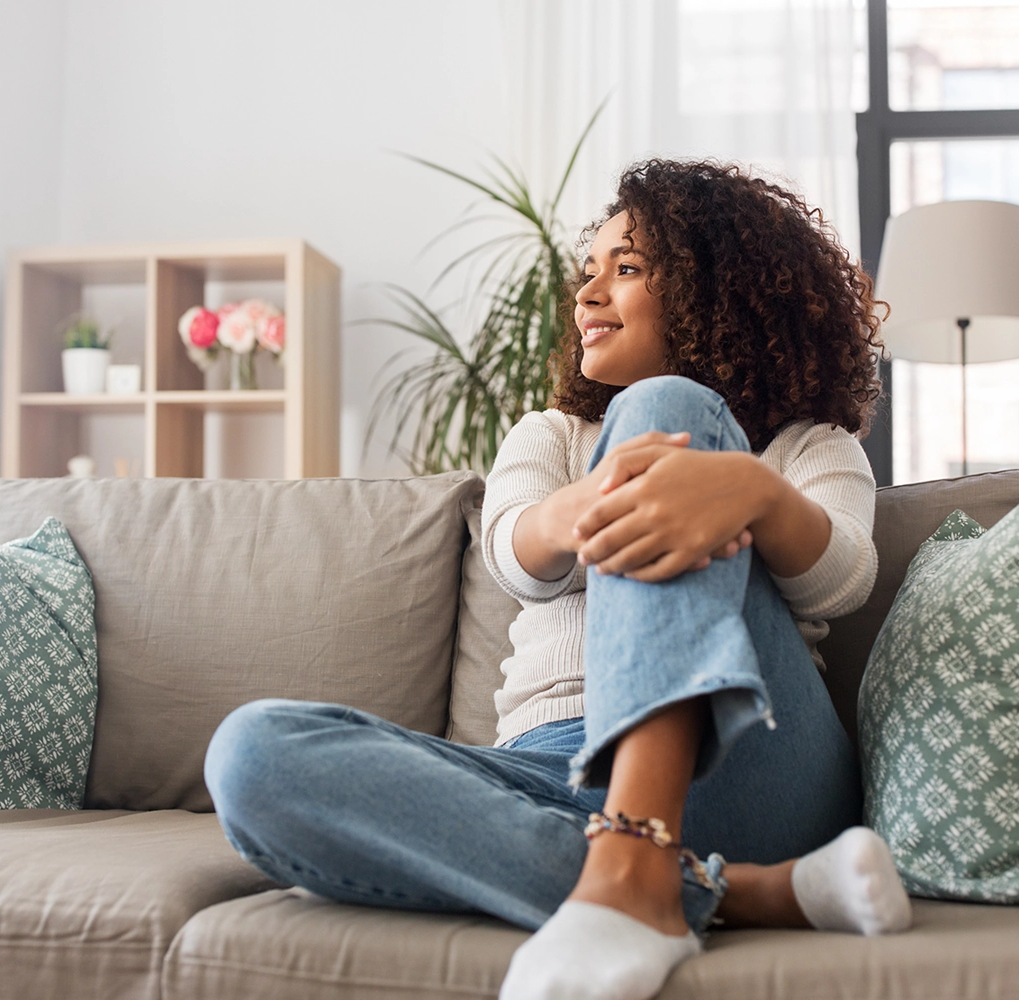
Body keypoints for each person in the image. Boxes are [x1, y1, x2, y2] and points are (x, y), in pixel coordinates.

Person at [204, 159, 912, 1000]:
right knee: (252, 756)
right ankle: (716, 889)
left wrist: (751, 492)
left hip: (748, 766)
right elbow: (514, 555)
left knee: (663, 410)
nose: (587, 295)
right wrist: (601, 501)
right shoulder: (550, 433)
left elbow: (841, 581)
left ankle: (642, 864)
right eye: (589, 272)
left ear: (718, 289)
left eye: (628, 267)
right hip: (553, 777)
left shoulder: (807, 444)